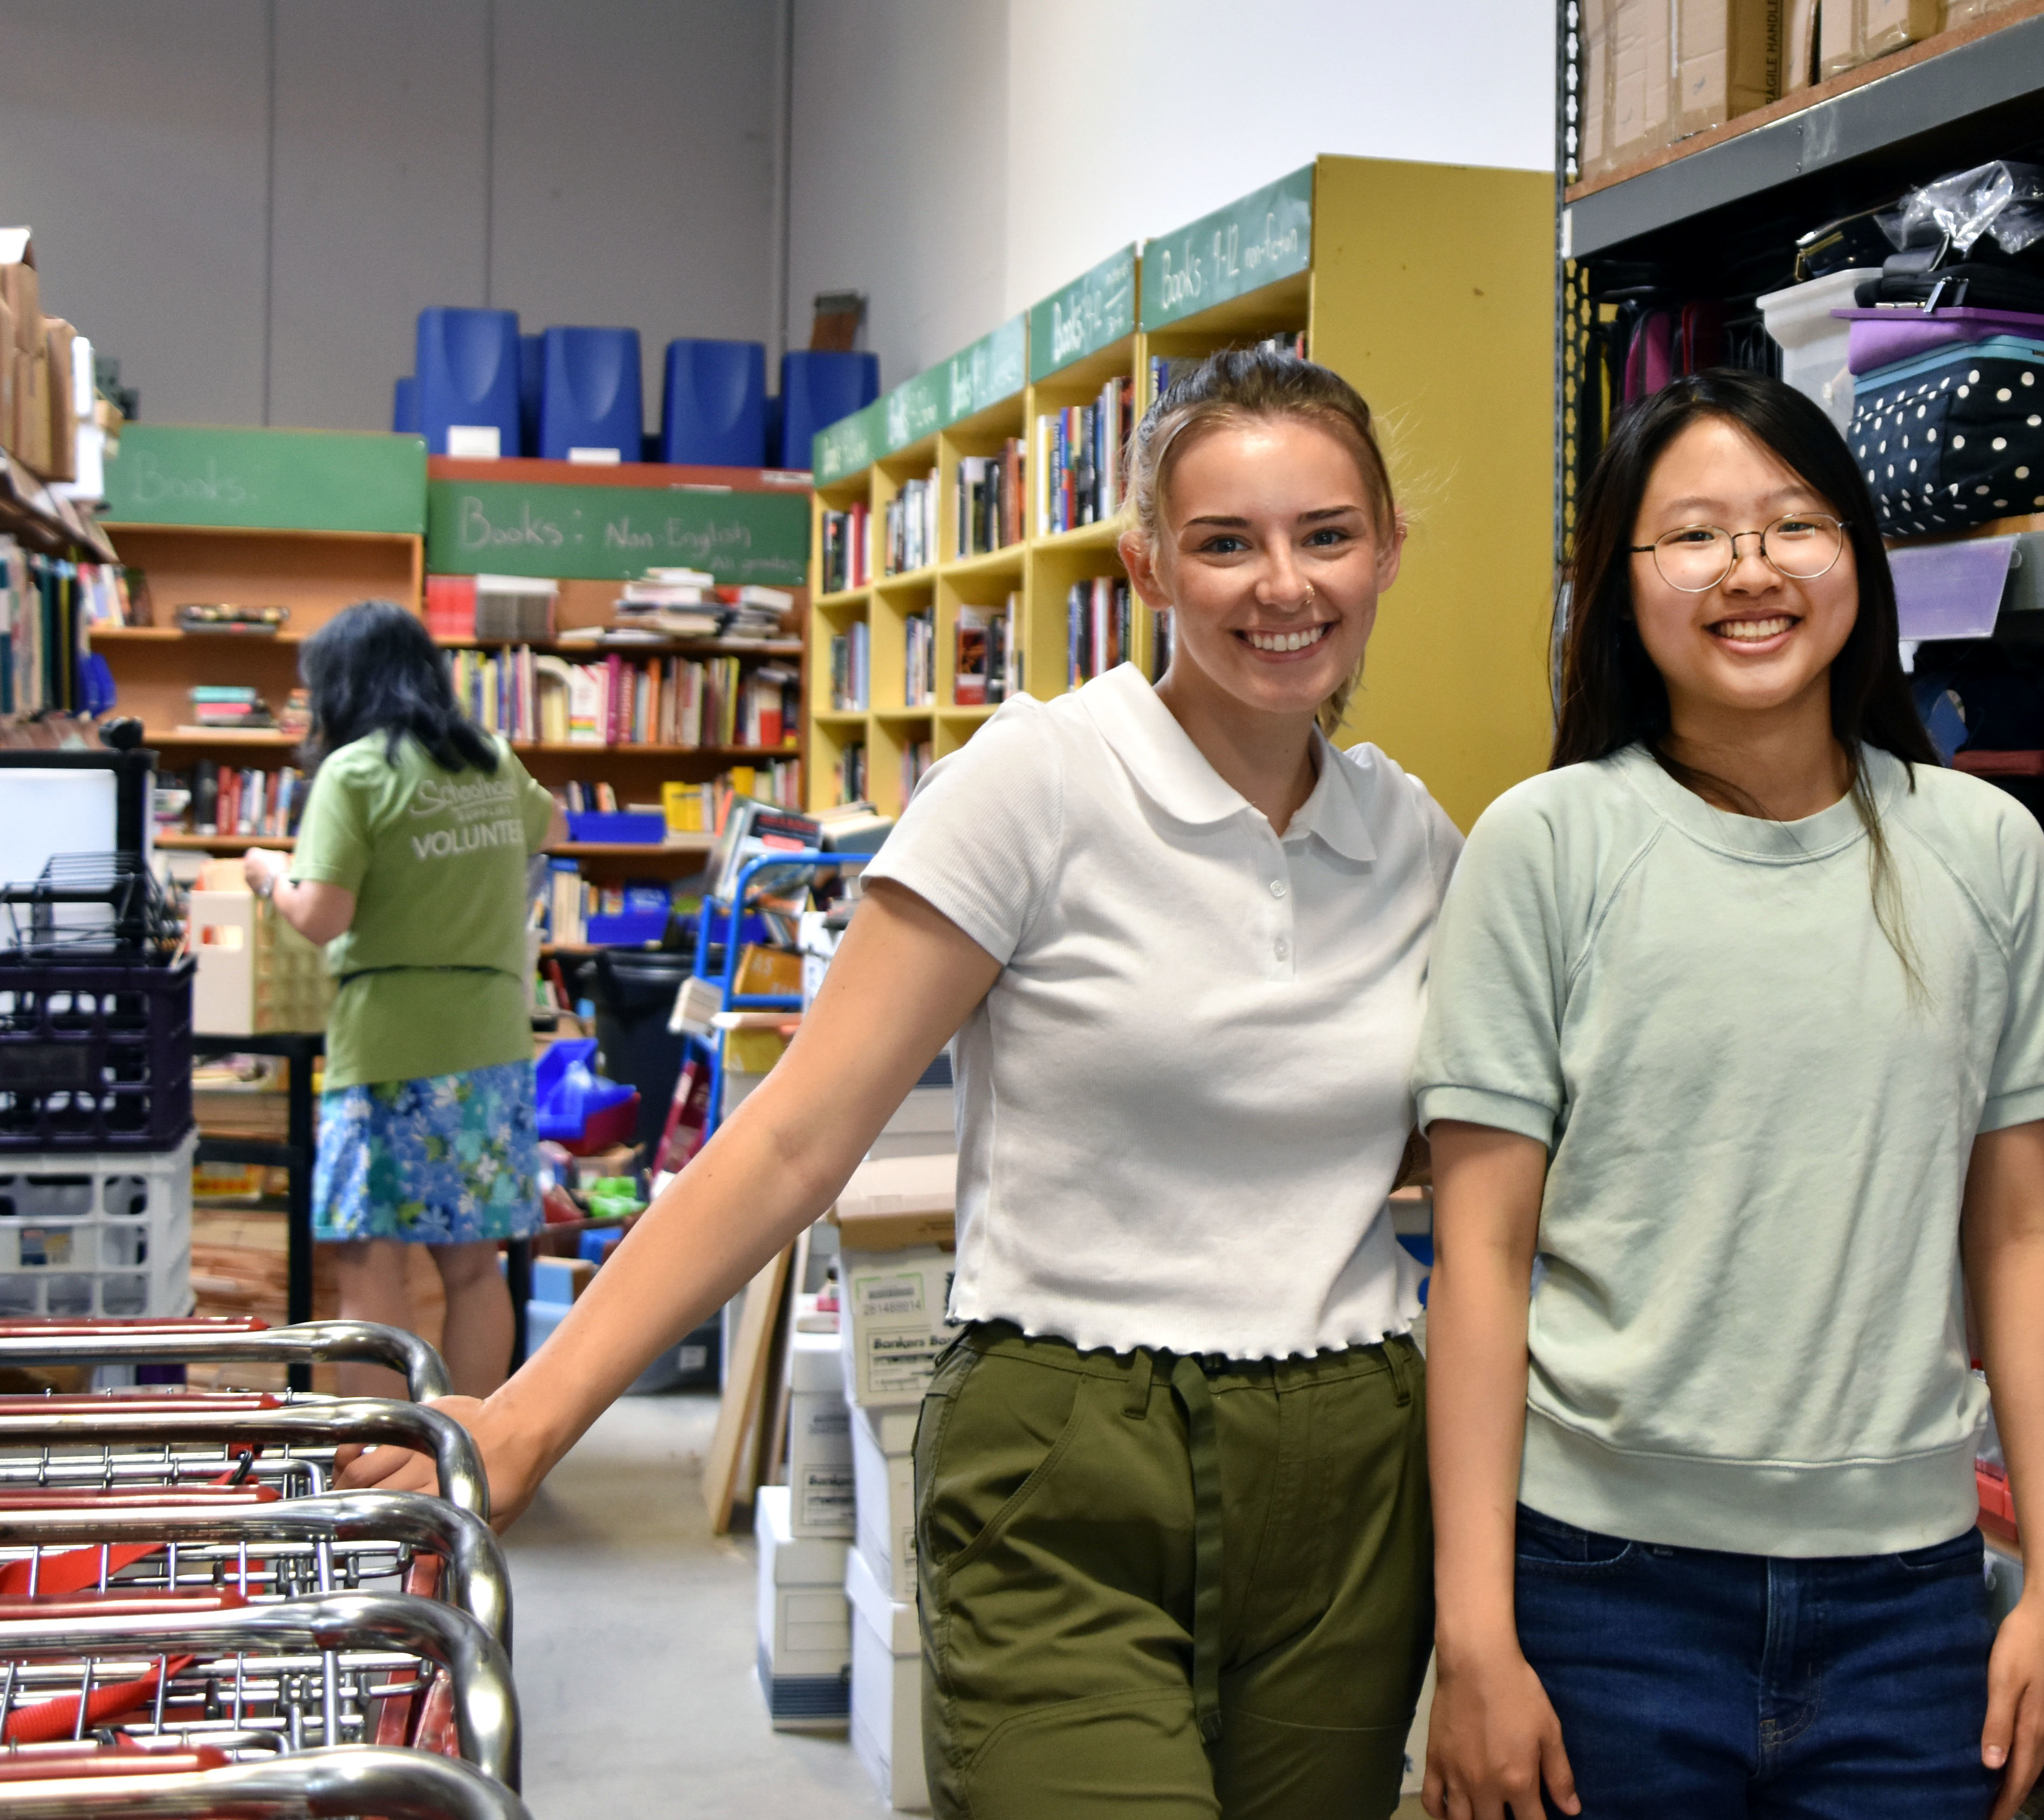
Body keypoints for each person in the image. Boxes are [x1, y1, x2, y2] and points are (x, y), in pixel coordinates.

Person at [346, 349, 1460, 1819]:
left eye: (1326, 536)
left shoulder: (1416, 839)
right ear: (1145, 562)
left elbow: (1458, 1170)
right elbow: (797, 1138)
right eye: (1225, 542)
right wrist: (529, 1421)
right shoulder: (1038, 784)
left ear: (1385, 550)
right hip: (1073, 1452)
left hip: (1351, 1470)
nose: (1284, 585)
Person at [1412, 368, 2044, 1820]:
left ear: (1857, 555)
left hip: (1909, 1610)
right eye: (1696, 536)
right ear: (1622, 583)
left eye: (1794, 523)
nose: (1751, 571)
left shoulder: (1984, 849)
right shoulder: (1547, 846)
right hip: (1600, 1594)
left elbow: (2023, 1234)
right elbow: (1480, 1258)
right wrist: (1473, 1637)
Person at [245, 600, 565, 1400]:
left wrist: (266, 878)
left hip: (387, 1046)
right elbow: (549, 826)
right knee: (474, 1269)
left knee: (368, 1263)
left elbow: (322, 916)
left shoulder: (355, 772)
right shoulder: (489, 756)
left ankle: (377, 1465)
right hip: (489, 1044)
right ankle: (466, 1461)